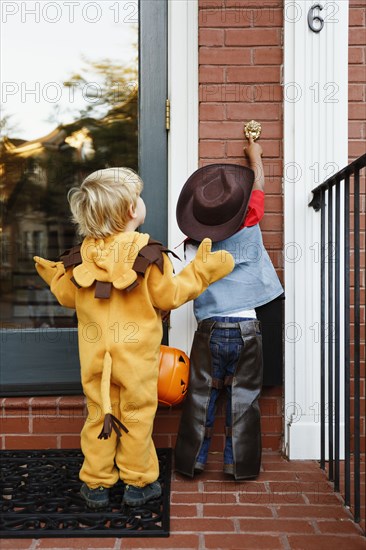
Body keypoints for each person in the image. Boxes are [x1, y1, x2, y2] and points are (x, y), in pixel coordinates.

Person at [34, 167, 234, 509]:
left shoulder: (81, 256)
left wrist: (54, 276)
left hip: (96, 360)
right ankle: (138, 483)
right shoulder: (148, 254)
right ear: (131, 210)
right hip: (137, 360)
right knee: (137, 416)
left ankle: (96, 485)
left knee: (98, 415)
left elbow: (67, 295)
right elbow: (170, 295)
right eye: (138, 197)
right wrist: (202, 271)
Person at [174, 137, 284, 480]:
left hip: (208, 331)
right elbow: (259, 185)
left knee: (200, 398)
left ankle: (190, 462)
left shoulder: (192, 244)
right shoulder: (250, 222)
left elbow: (175, 281)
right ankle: (240, 466)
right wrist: (255, 156)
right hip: (248, 329)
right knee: (245, 400)